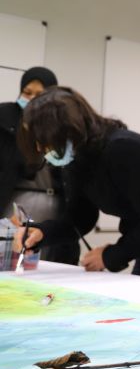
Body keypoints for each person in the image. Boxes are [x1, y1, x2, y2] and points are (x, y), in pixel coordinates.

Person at [15, 87, 140, 283]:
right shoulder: (77, 158)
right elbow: (81, 216)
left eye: (45, 139)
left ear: (68, 129)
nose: (41, 147)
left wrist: (111, 256)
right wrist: (42, 233)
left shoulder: (124, 150)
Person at [0, 67, 80, 264]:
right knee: (13, 262)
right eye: (27, 93)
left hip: (55, 206)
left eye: (39, 94)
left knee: (53, 261)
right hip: (13, 205)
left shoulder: (63, 122)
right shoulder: (4, 116)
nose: (32, 98)